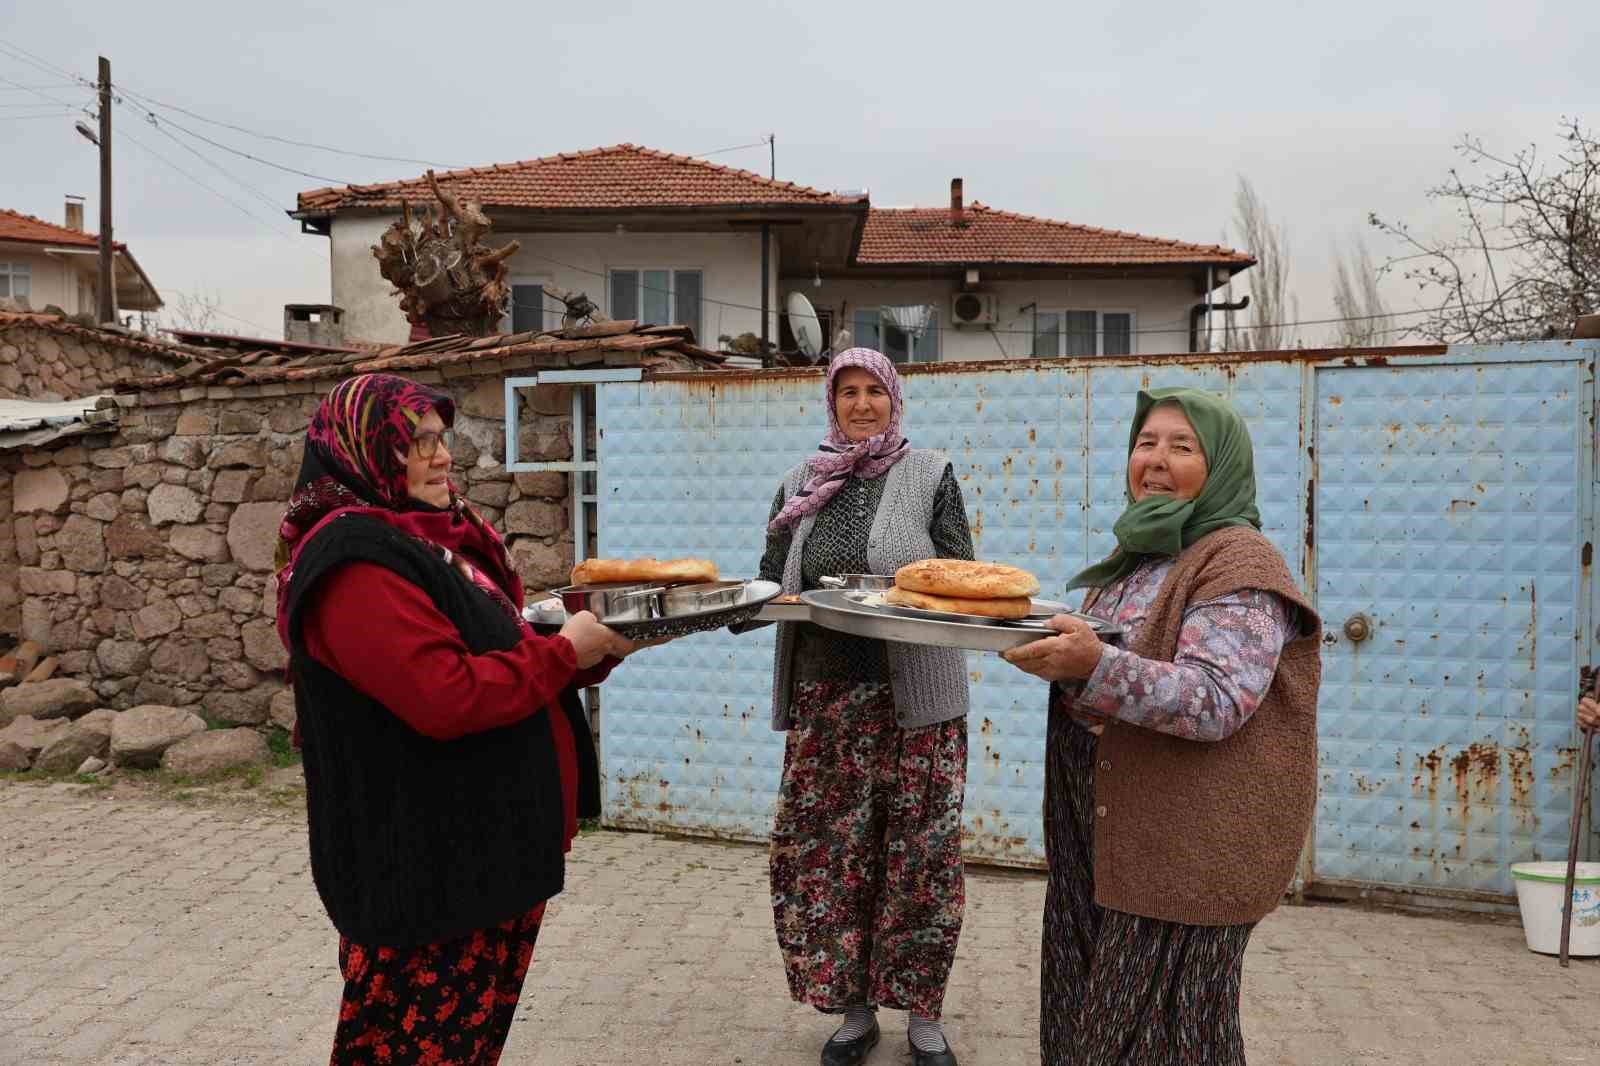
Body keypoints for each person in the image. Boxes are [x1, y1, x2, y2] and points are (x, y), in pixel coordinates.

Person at [273, 373, 646, 1066]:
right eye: (416, 443)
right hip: (424, 873)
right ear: (363, 449)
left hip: (479, 862)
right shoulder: (354, 567)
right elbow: (445, 696)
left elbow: (498, 650)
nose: (441, 456)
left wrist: (588, 652)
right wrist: (564, 655)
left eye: (441, 439)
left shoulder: (428, 540)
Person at [1001, 388, 1322, 1066]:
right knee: (1087, 1020)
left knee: (1162, 1041)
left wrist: (1093, 665)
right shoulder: (1140, 555)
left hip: (1184, 855)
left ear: (1223, 464)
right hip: (1107, 839)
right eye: (1146, 443)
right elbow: (1103, 674)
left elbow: (1217, 698)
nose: (1155, 460)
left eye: (1182, 446)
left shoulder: (1239, 565)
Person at [756, 348, 973, 1066]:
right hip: (828, 703)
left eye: (872, 390)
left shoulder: (931, 474)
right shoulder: (797, 483)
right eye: (846, 392)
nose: (860, 404)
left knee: (921, 860)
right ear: (831, 402)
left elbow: (961, 579)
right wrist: (738, 607)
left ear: (894, 398)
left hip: (918, 702)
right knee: (831, 858)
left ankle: (924, 1017)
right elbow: (768, 580)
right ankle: (853, 1012)